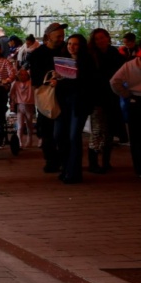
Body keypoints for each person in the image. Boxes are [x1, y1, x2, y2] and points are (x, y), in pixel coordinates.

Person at [53, 33, 94, 184]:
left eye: (75, 44)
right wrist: (56, 79)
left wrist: (67, 79)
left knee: (73, 137)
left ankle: (74, 172)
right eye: (69, 43)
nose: (71, 46)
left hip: (79, 103)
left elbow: (87, 84)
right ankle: (66, 167)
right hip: (63, 103)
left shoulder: (87, 61)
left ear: (81, 45)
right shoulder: (63, 59)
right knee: (59, 136)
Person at [28, 23, 67, 173]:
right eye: (58, 36)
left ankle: (62, 159)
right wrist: (50, 79)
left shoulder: (65, 51)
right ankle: (51, 160)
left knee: (62, 131)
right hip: (47, 96)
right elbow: (36, 78)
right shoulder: (38, 54)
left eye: (62, 35)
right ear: (49, 36)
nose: (61, 38)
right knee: (47, 131)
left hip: (64, 96)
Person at [89, 28, 125, 173]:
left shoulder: (114, 53)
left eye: (102, 37)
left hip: (112, 96)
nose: (100, 41)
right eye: (97, 38)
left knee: (110, 130)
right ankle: (93, 162)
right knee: (97, 129)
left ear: (107, 38)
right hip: (96, 97)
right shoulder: (91, 55)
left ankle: (106, 161)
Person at [109, 54, 141, 176]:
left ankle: (139, 169)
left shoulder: (130, 65)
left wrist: (126, 94)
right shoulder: (129, 64)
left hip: (135, 102)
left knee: (136, 137)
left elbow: (114, 82)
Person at [10, 68, 36, 148]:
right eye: (21, 75)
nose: (23, 76)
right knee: (20, 126)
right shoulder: (15, 83)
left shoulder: (31, 82)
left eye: (25, 75)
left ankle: (30, 140)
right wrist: (13, 102)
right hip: (20, 106)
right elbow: (12, 93)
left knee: (29, 124)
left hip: (30, 105)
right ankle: (19, 142)